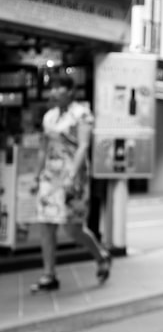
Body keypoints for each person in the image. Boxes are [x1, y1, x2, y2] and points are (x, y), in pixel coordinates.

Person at [29, 74, 111, 293]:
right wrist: (37, 176)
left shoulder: (82, 114)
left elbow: (83, 146)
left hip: (73, 175)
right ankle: (49, 275)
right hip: (50, 175)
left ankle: (100, 256)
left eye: (59, 88)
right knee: (46, 223)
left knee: (73, 227)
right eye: (52, 88)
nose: (54, 92)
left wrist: (72, 175)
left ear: (70, 91)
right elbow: (43, 149)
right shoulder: (49, 117)